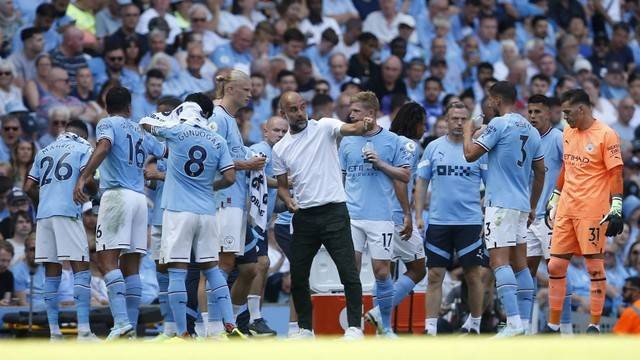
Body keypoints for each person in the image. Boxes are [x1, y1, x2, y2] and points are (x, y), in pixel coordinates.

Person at [141, 93, 244, 340]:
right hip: (207, 211)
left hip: (178, 210)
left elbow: (145, 123)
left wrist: (171, 118)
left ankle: (183, 332)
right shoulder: (217, 140)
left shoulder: (175, 133)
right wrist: (211, 187)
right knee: (211, 269)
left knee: (177, 271)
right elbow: (230, 178)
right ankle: (230, 322)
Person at [273, 91, 374, 339]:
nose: (299, 113)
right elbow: (283, 186)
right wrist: (288, 201)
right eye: (293, 110)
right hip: (304, 215)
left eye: (301, 107)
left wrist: (365, 125)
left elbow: (351, 129)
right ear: (282, 113)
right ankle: (305, 328)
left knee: (348, 271)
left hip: (334, 211)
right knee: (298, 275)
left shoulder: (325, 126)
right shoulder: (280, 148)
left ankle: (354, 327)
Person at [73, 86, 165, 340]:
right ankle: (130, 328)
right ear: (129, 107)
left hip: (117, 197)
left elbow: (103, 147)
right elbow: (164, 151)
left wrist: (85, 175)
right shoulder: (139, 129)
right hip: (140, 199)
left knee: (105, 260)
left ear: (106, 106)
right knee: (132, 265)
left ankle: (122, 322)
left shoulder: (107, 123)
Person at [463, 81, 545, 337]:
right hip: (521, 205)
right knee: (521, 265)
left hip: (499, 203)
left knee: (499, 262)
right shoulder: (531, 129)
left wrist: (468, 130)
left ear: (498, 100)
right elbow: (541, 171)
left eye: (490, 99)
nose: (488, 103)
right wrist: (532, 206)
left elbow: (469, 155)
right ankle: (522, 322)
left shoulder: (499, 124)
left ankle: (512, 323)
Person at [545, 89, 624, 334]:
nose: (564, 117)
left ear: (582, 109)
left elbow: (615, 173)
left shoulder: (606, 135)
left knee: (594, 267)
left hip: (592, 211)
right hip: (567, 208)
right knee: (555, 266)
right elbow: (567, 166)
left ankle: (594, 325)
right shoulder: (568, 131)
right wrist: (555, 196)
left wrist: (617, 205)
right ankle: (553, 324)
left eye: (567, 112)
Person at [339, 91, 412, 337]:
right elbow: (341, 177)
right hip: (352, 215)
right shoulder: (347, 140)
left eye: (356, 111)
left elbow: (404, 176)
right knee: (352, 270)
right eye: (351, 111)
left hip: (381, 215)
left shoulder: (392, 140)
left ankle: (386, 326)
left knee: (382, 271)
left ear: (370, 114)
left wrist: (380, 164)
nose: (351, 115)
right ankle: (354, 327)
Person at [415, 102, 487, 336]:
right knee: (435, 275)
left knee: (473, 275)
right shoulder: (434, 148)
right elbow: (421, 182)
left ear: (469, 122)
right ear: (446, 120)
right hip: (439, 222)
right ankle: (430, 328)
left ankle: (475, 324)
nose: (458, 123)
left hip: (470, 222)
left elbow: (490, 186)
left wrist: (487, 217)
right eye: (454, 118)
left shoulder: (477, 149)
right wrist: (418, 216)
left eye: (463, 119)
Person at [23, 119, 97, 341]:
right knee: (81, 268)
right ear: (83, 135)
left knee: (51, 272)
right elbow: (89, 180)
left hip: (44, 215)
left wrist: (45, 200)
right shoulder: (84, 147)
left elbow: (27, 187)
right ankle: (84, 330)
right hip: (67, 211)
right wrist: (91, 193)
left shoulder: (43, 151)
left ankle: (54, 332)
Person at [209, 69, 266, 336]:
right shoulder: (217, 117)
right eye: (246, 89)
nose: (251, 94)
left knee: (248, 268)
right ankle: (214, 327)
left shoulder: (230, 119)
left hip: (236, 200)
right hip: (223, 199)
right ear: (231, 89)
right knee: (222, 264)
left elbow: (231, 153)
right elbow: (213, 162)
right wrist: (247, 163)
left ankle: (226, 322)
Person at [524, 94, 573, 335]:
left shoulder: (557, 138)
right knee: (525, 273)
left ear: (549, 114)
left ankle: (565, 330)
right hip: (528, 216)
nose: (533, 116)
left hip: (551, 216)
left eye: (538, 112)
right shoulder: (525, 139)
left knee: (557, 271)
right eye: (530, 112)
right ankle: (525, 328)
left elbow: (574, 170)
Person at [241, 116, 289, 337]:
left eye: (283, 131)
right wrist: (288, 184)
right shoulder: (259, 149)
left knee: (257, 267)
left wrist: (289, 204)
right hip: (248, 220)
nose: (280, 135)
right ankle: (251, 318)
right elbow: (255, 175)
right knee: (260, 264)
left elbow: (272, 201)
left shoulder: (280, 155)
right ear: (265, 131)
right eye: (276, 130)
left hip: (260, 221)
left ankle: (249, 317)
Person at [143, 96, 180, 341]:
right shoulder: (155, 146)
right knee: (161, 270)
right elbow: (148, 177)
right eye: (159, 113)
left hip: (179, 214)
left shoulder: (183, 142)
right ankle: (169, 327)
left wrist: (159, 175)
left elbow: (193, 179)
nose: (161, 118)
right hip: (158, 215)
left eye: (167, 113)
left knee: (181, 270)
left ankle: (188, 324)